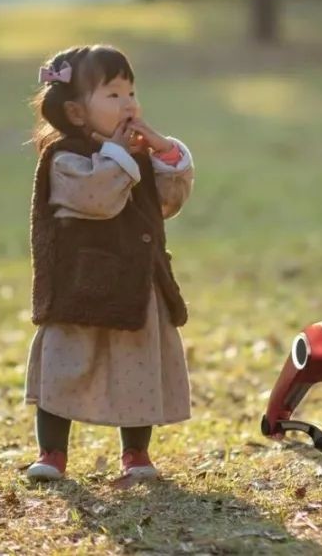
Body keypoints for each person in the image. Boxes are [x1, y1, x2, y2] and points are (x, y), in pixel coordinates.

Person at [22, 44, 193, 482]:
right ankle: (52, 452)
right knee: (65, 364)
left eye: (132, 92)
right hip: (80, 283)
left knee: (138, 368)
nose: (129, 103)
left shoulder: (134, 154)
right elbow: (97, 199)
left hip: (135, 282)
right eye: (113, 94)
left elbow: (168, 200)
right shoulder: (65, 158)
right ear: (78, 112)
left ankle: (136, 452)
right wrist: (122, 158)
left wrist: (164, 154)